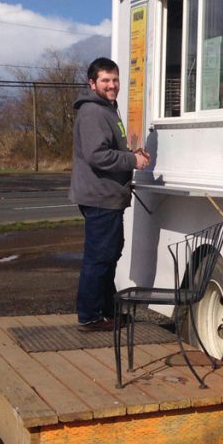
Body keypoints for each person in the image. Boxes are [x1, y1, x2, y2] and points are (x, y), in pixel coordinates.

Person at [69, 58, 150, 331]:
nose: (112, 85)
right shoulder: (93, 112)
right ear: (92, 83)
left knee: (108, 254)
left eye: (115, 80)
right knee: (99, 257)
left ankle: (105, 311)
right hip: (99, 196)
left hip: (106, 196)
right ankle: (90, 316)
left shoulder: (107, 109)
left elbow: (107, 149)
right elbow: (97, 155)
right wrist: (132, 161)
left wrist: (130, 155)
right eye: (105, 80)